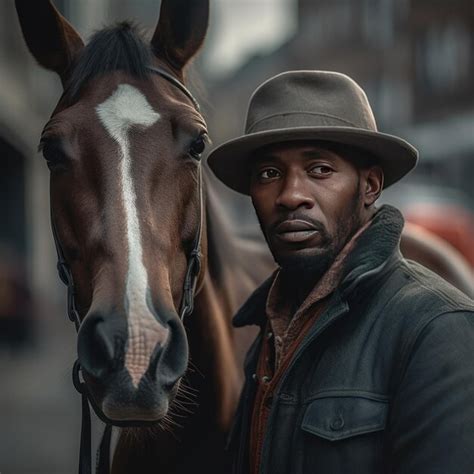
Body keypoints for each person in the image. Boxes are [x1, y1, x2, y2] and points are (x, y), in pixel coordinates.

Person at [207, 70, 474, 474]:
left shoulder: (436, 328)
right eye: (269, 174)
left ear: (369, 186)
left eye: (320, 170)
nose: (291, 196)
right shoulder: (267, 333)